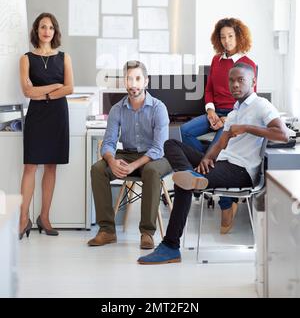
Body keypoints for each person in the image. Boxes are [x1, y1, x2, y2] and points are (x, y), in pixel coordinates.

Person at [138, 62, 289, 264]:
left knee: (183, 183)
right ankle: (191, 176)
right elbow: (221, 143)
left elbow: (283, 134)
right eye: (231, 80)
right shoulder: (235, 111)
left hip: (240, 170)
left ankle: (171, 246)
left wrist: (247, 128)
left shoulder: (261, 105)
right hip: (223, 163)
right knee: (171, 143)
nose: (235, 84)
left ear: (253, 82)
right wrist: (209, 157)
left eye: (240, 80)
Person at [180, 18, 256, 233]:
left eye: (230, 36)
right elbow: (210, 90)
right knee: (186, 131)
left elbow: (247, 97)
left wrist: (227, 119)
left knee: (218, 153)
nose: (226, 41)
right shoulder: (216, 60)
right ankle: (204, 161)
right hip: (215, 112)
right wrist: (211, 111)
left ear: (238, 37)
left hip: (233, 116)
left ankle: (226, 205)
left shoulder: (247, 64)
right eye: (222, 37)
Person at [88, 60, 172, 250]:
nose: (133, 84)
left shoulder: (159, 108)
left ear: (146, 81)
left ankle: (147, 233)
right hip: (127, 154)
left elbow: (159, 148)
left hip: (156, 158)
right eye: (129, 79)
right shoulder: (117, 109)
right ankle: (107, 231)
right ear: (124, 81)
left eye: (137, 78)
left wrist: (133, 166)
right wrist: (112, 160)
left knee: (150, 171)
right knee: (97, 169)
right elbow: (108, 142)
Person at [19, 13, 73, 239]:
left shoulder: (64, 57)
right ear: (36, 30)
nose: (47, 31)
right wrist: (54, 87)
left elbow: (69, 88)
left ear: (55, 31)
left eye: (51, 27)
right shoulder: (26, 58)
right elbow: (27, 92)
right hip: (36, 117)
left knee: (51, 166)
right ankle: (23, 220)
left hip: (57, 116)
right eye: (43, 26)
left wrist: (43, 94)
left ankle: (45, 217)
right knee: (30, 166)